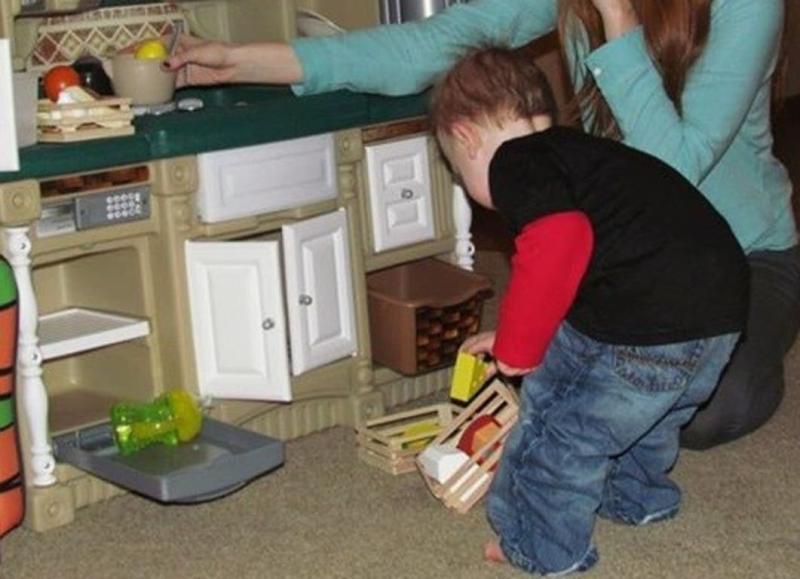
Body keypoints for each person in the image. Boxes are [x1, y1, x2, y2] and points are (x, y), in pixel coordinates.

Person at [166, 0, 800, 450]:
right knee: (601, 389)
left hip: (741, 257)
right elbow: (432, 44)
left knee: (704, 408)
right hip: (621, 260)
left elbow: (672, 174)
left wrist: (618, 21)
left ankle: (757, 346)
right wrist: (242, 62)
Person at [429, 45, 747, 575]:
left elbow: (559, 240)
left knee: (561, 425)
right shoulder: (584, 156)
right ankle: (637, 496)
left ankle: (541, 544)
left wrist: (518, 348)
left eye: (461, 174)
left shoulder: (516, 161)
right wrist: (513, 330)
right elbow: (568, 278)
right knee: (651, 410)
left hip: (650, 312)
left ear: (467, 137)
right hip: (719, 307)